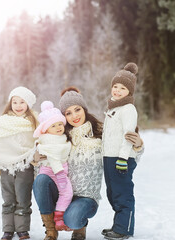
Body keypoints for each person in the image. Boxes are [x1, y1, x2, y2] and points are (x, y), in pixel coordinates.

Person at [32, 87, 144, 240]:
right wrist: (38, 156)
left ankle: (80, 226)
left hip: (86, 197)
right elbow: (45, 156)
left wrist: (137, 145)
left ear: (84, 109)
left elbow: (124, 151)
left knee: (72, 219)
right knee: (40, 180)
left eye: (77, 109)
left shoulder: (101, 133)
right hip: (63, 192)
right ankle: (51, 231)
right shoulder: (61, 135)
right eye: (68, 113)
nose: (74, 116)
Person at [0, 86, 38, 240]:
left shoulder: (33, 122)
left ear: (28, 104)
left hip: (25, 165)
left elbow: (37, 142)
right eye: (14, 102)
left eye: (22, 102)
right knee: (8, 198)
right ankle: (8, 229)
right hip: (6, 167)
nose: (18, 106)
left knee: (23, 198)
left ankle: (22, 229)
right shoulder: (4, 121)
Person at [102, 62, 139, 240]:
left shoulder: (128, 109)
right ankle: (118, 225)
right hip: (109, 158)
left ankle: (124, 229)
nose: (117, 90)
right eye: (115, 86)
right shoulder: (113, 108)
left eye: (122, 88)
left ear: (129, 92)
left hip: (121, 158)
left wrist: (123, 158)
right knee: (113, 193)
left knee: (122, 194)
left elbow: (129, 135)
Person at [33, 100, 73, 231]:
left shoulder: (61, 138)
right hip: (52, 171)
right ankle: (54, 223)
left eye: (60, 124)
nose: (58, 127)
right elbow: (54, 157)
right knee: (65, 191)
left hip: (60, 171)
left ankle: (59, 217)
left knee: (67, 193)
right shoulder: (49, 139)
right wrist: (60, 174)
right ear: (46, 129)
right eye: (53, 125)